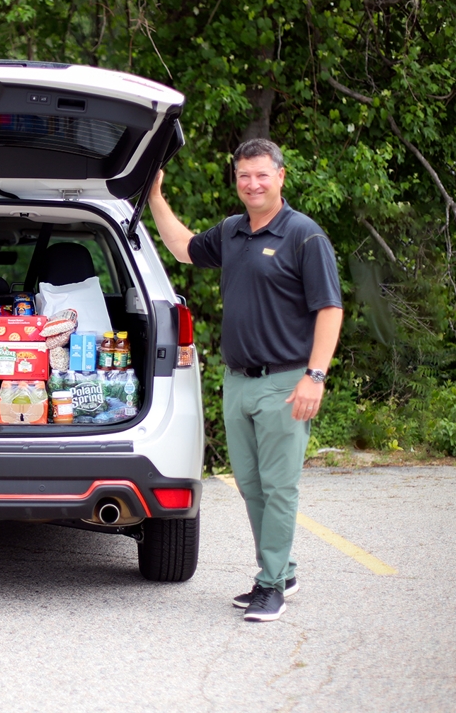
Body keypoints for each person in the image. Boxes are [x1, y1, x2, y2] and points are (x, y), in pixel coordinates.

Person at [148, 139, 343, 622]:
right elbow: (183, 248)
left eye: (261, 175)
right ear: (236, 180)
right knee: (252, 486)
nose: (252, 184)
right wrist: (155, 196)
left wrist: (314, 377)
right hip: (238, 381)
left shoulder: (304, 235)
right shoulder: (233, 232)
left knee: (279, 487)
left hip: (286, 382)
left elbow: (330, 310)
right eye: (243, 176)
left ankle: (271, 583)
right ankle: (285, 569)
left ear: (281, 176)